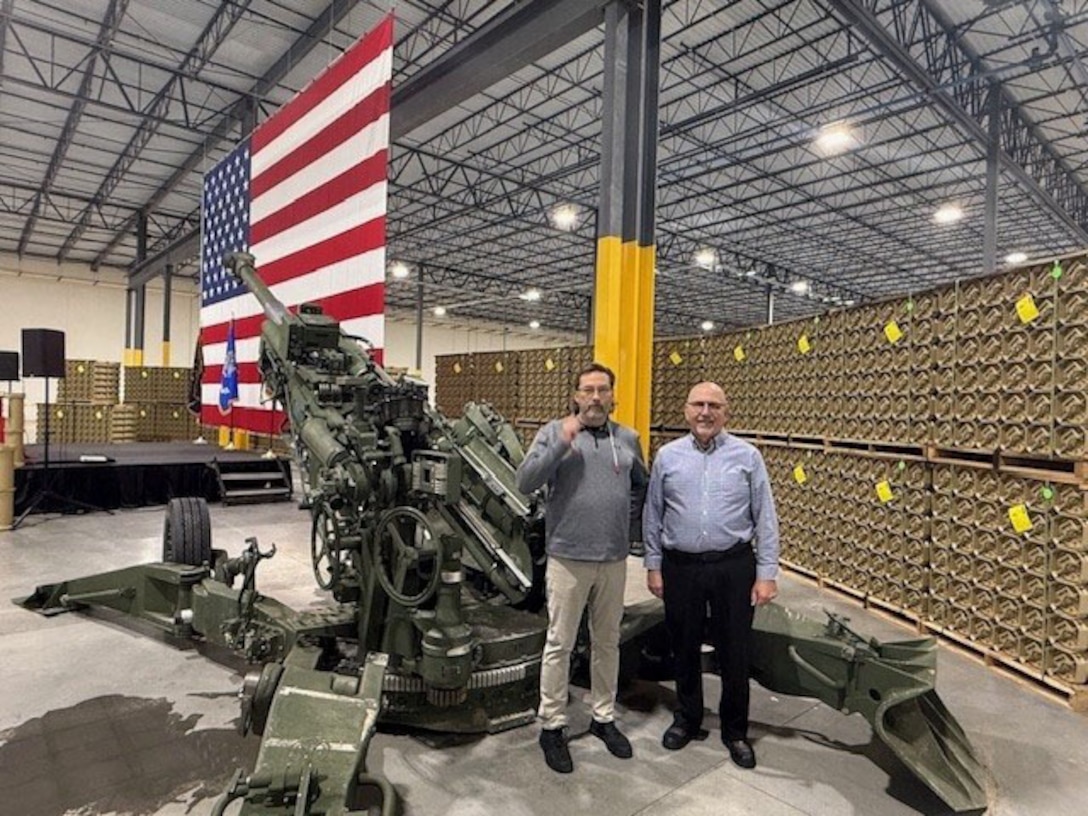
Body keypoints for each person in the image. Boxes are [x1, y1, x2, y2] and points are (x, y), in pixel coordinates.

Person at [516, 362, 648, 774]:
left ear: (612, 396)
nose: (594, 397)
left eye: (602, 390)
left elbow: (640, 486)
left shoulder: (627, 438)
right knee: (561, 642)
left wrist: (629, 532)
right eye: (587, 390)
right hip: (568, 558)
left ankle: (603, 717)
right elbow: (525, 481)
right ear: (575, 396)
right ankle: (552, 725)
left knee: (607, 641)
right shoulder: (553, 433)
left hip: (612, 560)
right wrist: (561, 443)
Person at [643, 381, 779, 769]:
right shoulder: (667, 457)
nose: (705, 412)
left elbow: (764, 517)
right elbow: (653, 515)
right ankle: (687, 718)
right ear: (686, 411)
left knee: (735, 651)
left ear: (726, 411)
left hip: (733, 566)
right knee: (683, 647)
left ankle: (735, 731)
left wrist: (766, 573)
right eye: (698, 404)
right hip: (680, 566)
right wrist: (654, 565)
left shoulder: (747, 456)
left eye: (714, 405)